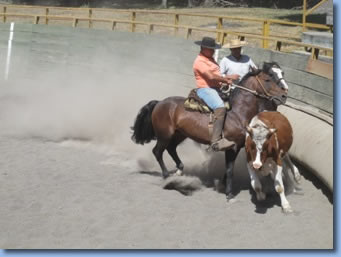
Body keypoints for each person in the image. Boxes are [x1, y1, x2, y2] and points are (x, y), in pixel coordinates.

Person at [193, 36, 240, 151]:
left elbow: (216, 75)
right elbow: (210, 76)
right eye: (211, 48)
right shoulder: (199, 62)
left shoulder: (210, 59)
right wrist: (226, 80)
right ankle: (215, 141)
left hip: (215, 88)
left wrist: (228, 77)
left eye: (213, 49)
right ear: (203, 48)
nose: (213, 51)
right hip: (205, 89)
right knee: (220, 107)